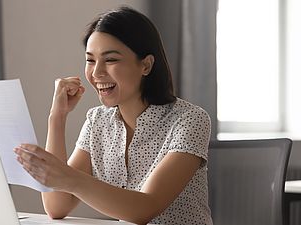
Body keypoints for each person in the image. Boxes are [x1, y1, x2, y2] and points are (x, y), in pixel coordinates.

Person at [13, 6, 213, 225]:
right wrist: (57, 117)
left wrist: (68, 178)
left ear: (146, 65)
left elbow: (145, 208)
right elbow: (57, 206)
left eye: (110, 60)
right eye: (90, 60)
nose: (97, 72)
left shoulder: (190, 119)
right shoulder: (97, 121)